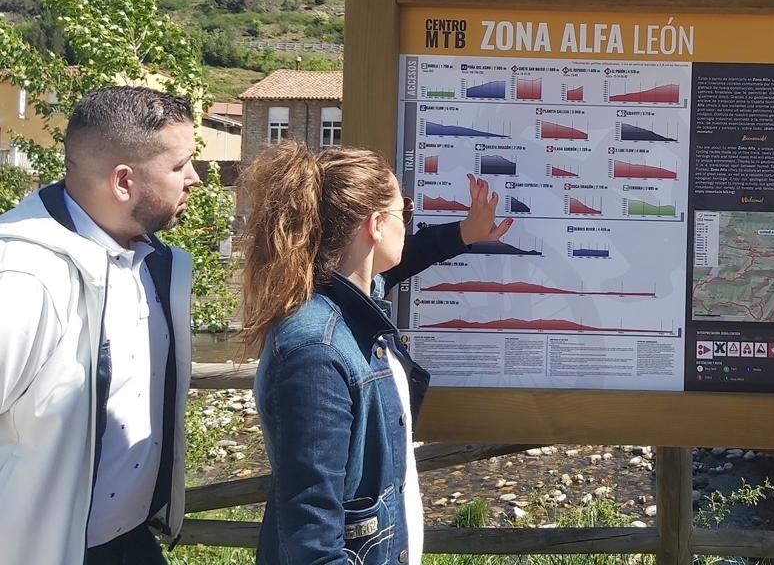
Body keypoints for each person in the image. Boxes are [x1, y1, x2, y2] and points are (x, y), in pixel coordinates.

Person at [240, 141, 509, 564]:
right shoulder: (315, 351)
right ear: (376, 225)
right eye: (404, 211)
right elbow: (312, 534)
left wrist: (464, 234)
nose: (409, 222)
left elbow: (399, 262)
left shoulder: (347, 298)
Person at [0, 85, 200, 565]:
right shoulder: (23, 278)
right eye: (179, 166)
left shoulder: (159, 266)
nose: (196, 177)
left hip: (131, 542)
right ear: (124, 182)